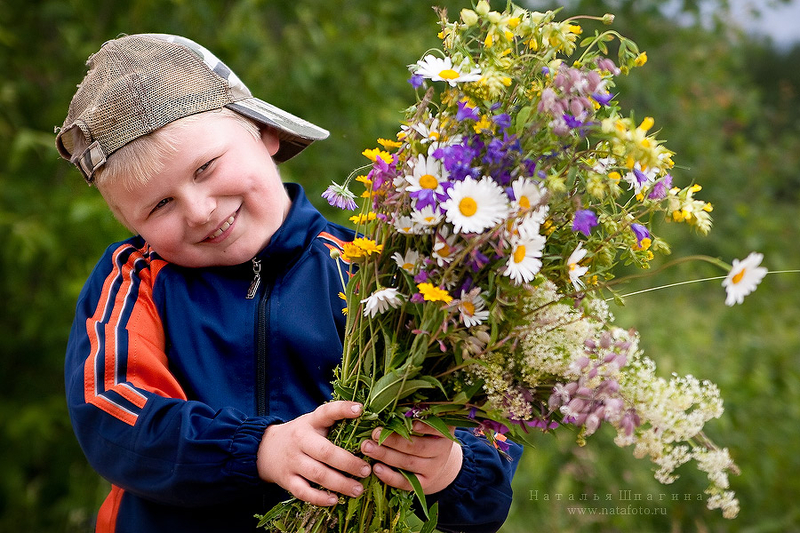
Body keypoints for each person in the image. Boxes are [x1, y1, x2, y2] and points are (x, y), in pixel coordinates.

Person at [56, 33, 522, 533]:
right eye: (159, 206)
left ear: (264, 133)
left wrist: (451, 470)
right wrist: (258, 448)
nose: (199, 211)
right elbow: (111, 414)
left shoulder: (379, 271)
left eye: (206, 168)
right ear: (134, 224)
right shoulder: (134, 279)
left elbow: (486, 430)